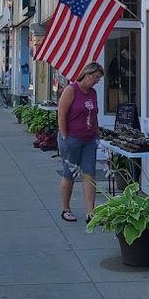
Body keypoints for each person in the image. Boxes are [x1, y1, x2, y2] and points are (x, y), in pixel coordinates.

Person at [57, 62, 103, 224]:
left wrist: (98, 133)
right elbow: (61, 115)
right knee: (69, 174)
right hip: (72, 138)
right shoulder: (72, 90)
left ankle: (91, 212)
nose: (95, 81)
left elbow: (94, 115)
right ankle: (66, 209)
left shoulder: (93, 93)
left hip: (89, 139)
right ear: (86, 74)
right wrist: (65, 136)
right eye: (94, 78)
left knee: (89, 174)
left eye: (98, 80)